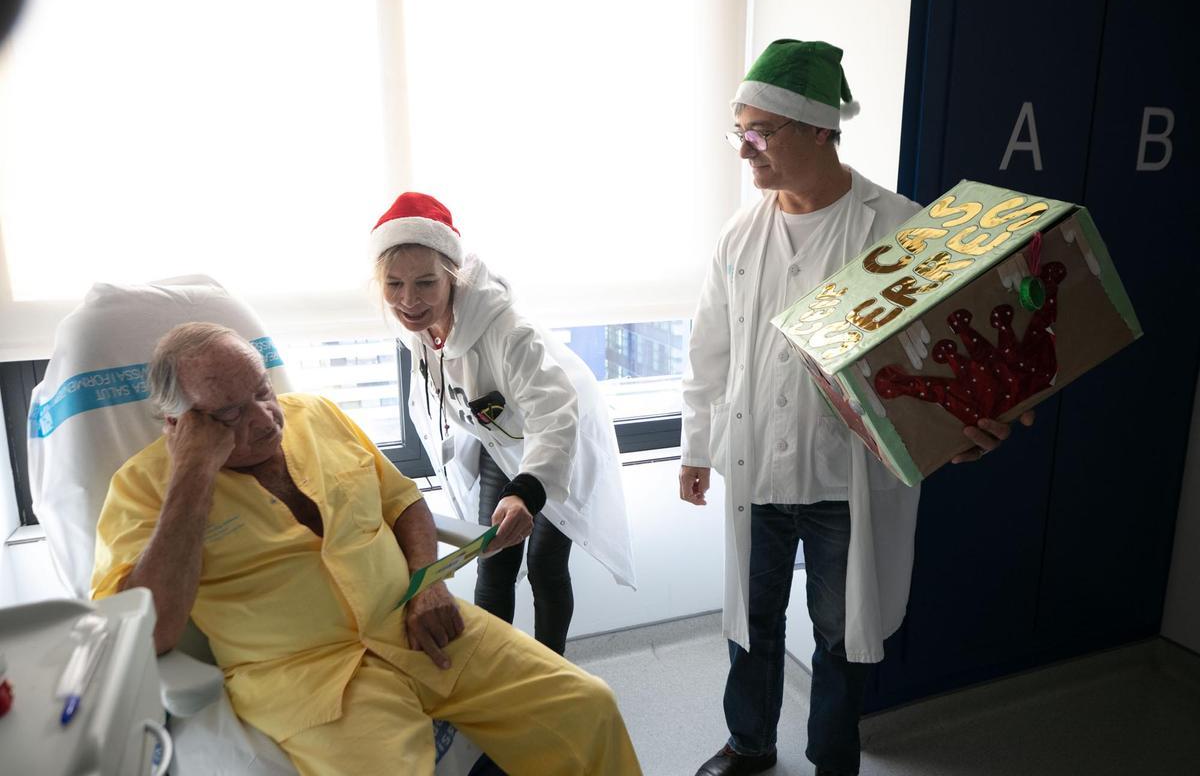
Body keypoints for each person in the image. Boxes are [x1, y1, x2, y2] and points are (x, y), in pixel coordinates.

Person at [680, 40, 1033, 776]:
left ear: (819, 130)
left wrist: (973, 426)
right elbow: (708, 350)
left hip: (848, 480)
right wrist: (696, 449)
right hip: (756, 472)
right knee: (750, 623)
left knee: (840, 637)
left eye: (760, 132)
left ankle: (833, 758)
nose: (746, 151)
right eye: (738, 131)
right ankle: (749, 743)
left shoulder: (902, 228)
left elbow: (952, 363)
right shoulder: (739, 234)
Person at [91, 322, 642, 775]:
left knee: (589, 707)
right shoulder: (143, 488)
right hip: (309, 679)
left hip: (418, 619)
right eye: (230, 413)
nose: (264, 419)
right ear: (177, 423)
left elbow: (404, 504)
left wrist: (427, 582)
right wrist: (193, 474)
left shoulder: (317, 415)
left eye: (261, 390)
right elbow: (149, 633)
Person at [369, 192, 636, 656]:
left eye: (426, 284)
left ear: (453, 277)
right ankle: (494, 668)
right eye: (394, 285)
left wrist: (527, 491)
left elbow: (554, 414)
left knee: (545, 563)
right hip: (501, 439)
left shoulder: (506, 331)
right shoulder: (417, 326)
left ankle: (551, 670)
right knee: (493, 558)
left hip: (561, 435)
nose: (408, 301)